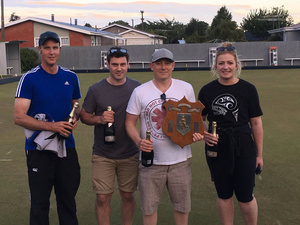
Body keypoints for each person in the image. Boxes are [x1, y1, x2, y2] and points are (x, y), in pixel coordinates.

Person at [125, 48, 203, 225]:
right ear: (151, 66)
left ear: (173, 65)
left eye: (167, 63)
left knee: (182, 207)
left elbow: (192, 121)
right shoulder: (140, 91)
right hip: (151, 162)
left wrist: (195, 135)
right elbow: (129, 123)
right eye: (159, 63)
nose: (163, 67)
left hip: (180, 161)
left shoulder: (186, 88)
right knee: (149, 209)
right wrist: (139, 142)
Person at [14, 31, 81, 225]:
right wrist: (52, 127)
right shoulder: (29, 79)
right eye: (47, 48)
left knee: (68, 201)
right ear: (40, 50)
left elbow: (75, 107)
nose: (51, 52)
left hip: (67, 148)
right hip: (39, 150)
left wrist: (74, 118)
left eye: (55, 48)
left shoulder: (71, 76)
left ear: (59, 49)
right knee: (40, 203)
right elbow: (19, 117)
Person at [198, 42, 263, 225]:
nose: (225, 67)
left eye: (229, 63)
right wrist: (205, 134)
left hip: (243, 146)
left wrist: (259, 155)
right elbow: (199, 119)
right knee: (224, 194)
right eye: (221, 63)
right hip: (216, 147)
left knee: (245, 196)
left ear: (236, 65)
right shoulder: (207, 90)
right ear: (215, 66)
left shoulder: (248, 89)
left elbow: (256, 123)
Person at [80, 47, 141, 225]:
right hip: (102, 154)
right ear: (107, 65)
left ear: (128, 65)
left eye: (122, 64)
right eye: (114, 64)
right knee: (102, 198)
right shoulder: (96, 89)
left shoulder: (137, 87)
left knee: (128, 195)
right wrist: (99, 118)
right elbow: (84, 115)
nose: (119, 68)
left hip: (129, 152)